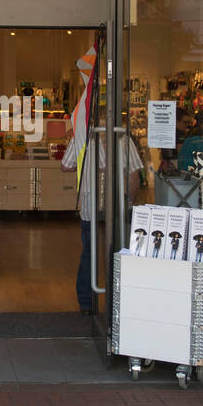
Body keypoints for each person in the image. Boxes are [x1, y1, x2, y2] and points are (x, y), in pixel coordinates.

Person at [62, 126, 143, 315]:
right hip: (117, 205)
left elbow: (65, 165)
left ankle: (86, 302)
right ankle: (120, 298)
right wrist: (129, 202)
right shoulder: (124, 139)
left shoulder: (82, 138)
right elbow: (134, 175)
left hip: (91, 204)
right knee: (120, 249)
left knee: (89, 252)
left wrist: (85, 167)